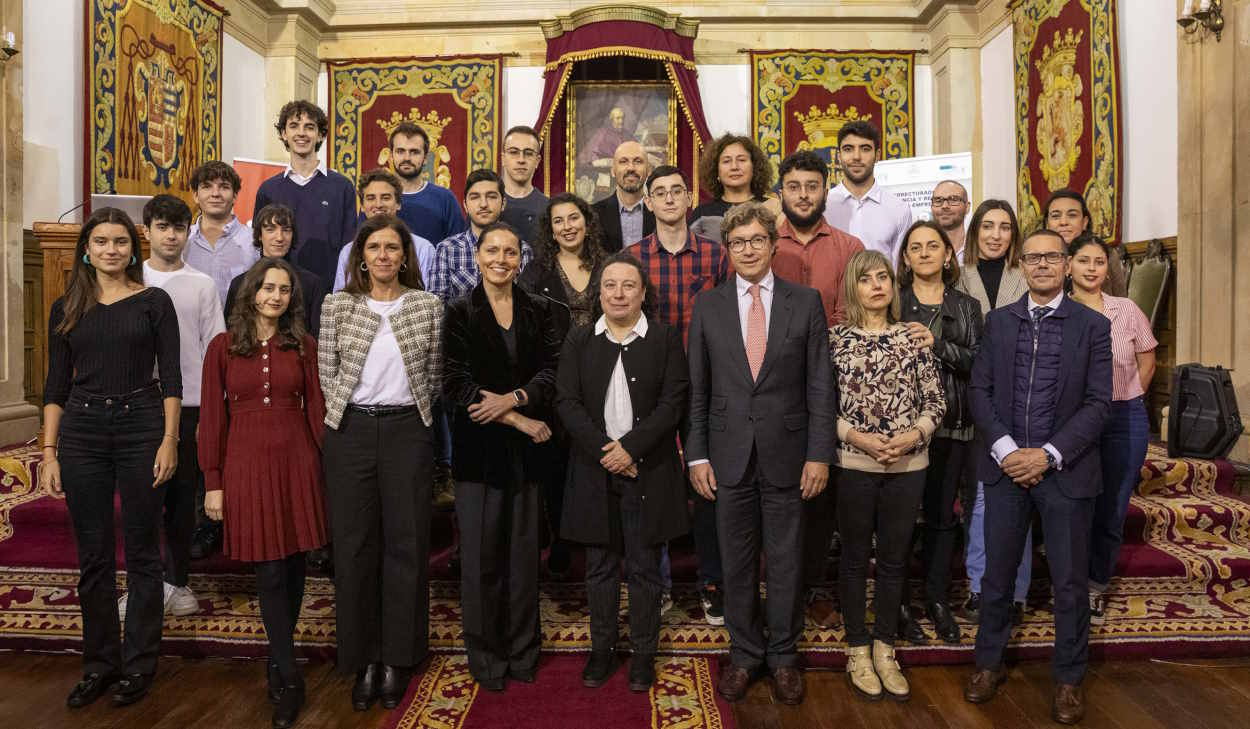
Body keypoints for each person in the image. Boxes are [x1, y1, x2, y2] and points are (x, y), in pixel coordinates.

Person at [686, 201, 834, 706]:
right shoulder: (707, 305)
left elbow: (820, 386)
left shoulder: (806, 301)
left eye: (756, 240)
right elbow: (698, 391)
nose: (748, 250)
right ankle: (746, 654)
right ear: (727, 250)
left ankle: (785, 655)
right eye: (738, 242)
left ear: (773, 245)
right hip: (726, 457)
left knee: (788, 560)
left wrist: (819, 454)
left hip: (790, 455)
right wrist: (697, 455)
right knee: (737, 562)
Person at [964, 229, 1113, 726]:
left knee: (1070, 583)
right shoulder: (999, 322)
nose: (1043, 265)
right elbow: (980, 393)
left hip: (1064, 472)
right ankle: (987, 665)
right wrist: (1008, 450)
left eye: (1052, 257)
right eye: (1033, 258)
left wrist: (1047, 455)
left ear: (1068, 264)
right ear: (1020, 265)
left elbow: (1099, 405)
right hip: (1006, 469)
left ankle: (1069, 680)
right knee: (997, 577)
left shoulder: (1092, 326)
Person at [40, 207, 182, 709]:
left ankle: (139, 665)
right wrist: (50, 451)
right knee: (94, 556)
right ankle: (100, 664)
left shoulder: (154, 302)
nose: (111, 250)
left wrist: (170, 440)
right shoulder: (66, 307)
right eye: (101, 242)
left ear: (133, 249)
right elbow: (55, 386)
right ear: (86, 249)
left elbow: (173, 378)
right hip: (82, 431)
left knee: (143, 555)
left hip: (143, 425)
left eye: (120, 241)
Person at [319, 214, 444, 712]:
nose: (385, 256)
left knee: (407, 543)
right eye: (375, 248)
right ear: (361, 256)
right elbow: (328, 373)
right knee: (353, 546)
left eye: (393, 248)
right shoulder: (337, 306)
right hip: (349, 432)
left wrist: (404, 417)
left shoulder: (427, 306)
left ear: (405, 256)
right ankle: (363, 656)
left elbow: (433, 376)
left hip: (407, 431)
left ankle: (398, 656)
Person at [199, 258, 328, 729]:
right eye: (268, 287)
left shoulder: (304, 346)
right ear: (251, 292)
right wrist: (213, 481)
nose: (276, 296)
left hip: (299, 462)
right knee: (270, 570)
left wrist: (328, 472)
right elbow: (212, 419)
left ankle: (278, 656)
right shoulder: (223, 347)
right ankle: (289, 673)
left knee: (294, 566)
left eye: (284, 290)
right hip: (247, 464)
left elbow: (316, 410)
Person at [556, 253, 690, 692]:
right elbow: (567, 404)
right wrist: (606, 452)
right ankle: (602, 650)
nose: (618, 293)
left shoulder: (665, 339)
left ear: (643, 293)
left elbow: (673, 403)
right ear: (599, 293)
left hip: (648, 471)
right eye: (609, 285)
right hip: (595, 471)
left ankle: (644, 656)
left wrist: (630, 449)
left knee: (646, 568)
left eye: (628, 285)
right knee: (599, 568)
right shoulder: (580, 340)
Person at [443, 221, 561, 692]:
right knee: (481, 562)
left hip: (529, 460)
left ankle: (523, 652)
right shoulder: (459, 311)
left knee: (523, 560)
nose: (500, 259)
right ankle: (487, 656)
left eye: (510, 252)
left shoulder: (538, 310)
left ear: (520, 260)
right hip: (479, 458)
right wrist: (517, 417)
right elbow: (455, 384)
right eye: (491, 250)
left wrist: (513, 398)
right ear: (477, 257)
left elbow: (552, 374)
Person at [831, 248, 944, 701]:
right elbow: (820, 406)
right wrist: (858, 439)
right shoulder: (836, 340)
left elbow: (936, 403)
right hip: (854, 464)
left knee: (895, 559)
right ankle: (857, 647)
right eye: (866, 278)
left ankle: (884, 648)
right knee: (856, 557)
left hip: (908, 464)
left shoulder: (913, 338)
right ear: (853, 287)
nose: (877, 284)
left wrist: (913, 436)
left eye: (883, 277)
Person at [625, 165, 731, 625]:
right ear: (647, 203)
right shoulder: (630, 258)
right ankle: (657, 583)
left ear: (689, 199)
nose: (669, 199)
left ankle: (712, 582)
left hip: (706, 382)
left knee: (708, 483)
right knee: (653, 485)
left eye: (676, 192)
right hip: (648, 388)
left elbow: (731, 316)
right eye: (659, 193)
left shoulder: (715, 256)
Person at [768, 150, 864, 628]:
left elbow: (853, 313)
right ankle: (778, 588)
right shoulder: (764, 245)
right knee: (779, 486)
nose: (803, 195)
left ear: (825, 189)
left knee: (822, 491)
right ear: (780, 192)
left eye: (811, 186)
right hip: (772, 386)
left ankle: (810, 588)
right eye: (794, 186)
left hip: (833, 382)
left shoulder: (849, 246)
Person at [129, 195, 224, 621]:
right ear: (146, 231)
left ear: (189, 233)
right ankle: (142, 585)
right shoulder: (131, 279)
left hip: (189, 405)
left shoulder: (201, 283)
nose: (171, 235)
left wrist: (211, 411)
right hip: (137, 405)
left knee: (183, 501)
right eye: (163, 227)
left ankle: (178, 581)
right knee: (140, 501)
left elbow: (213, 350)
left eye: (179, 228)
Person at [895, 221, 982, 646]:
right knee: (903, 518)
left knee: (942, 518)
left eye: (934, 246)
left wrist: (936, 344)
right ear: (906, 257)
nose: (926, 253)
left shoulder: (967, 307)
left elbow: (979, 363)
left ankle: (937, 599)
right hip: (903, 428)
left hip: (954, 424)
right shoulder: (893, 302)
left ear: (948, 255)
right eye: (916, 247)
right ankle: (901, 605)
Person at [1067, 236, 1156, 625]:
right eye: (1083, 260)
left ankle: (1095, 586)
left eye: (1099, 261)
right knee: (1073, 503)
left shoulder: (1127, 310)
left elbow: (1147, 362)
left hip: (1124, 416)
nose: (1091, 268)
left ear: (1108, 268)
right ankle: (1067, 583)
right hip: (1074, 420)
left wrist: (1127, 399)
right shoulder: (1060, 310)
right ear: (1068, 264)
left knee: (1114, 504)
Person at [518, 192, 607, 578]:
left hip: (606, 375)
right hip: (554, 378)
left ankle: (600, 538)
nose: (567, 226)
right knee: (557, 464)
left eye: (574, 218)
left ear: (587, 223)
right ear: (550, 230)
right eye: (559, 221)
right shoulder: (536, 271)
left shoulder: (609, 264)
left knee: (598, 458)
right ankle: (560, 539)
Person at [955, 199, 1032, 625]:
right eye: (988, 226)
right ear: (975, 231)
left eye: (1005, 227)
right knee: (978, 502)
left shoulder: (1024, 276)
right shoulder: (958, 276)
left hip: (1014, 399)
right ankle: (978, 586)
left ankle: (1015, 593)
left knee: (1010, 499)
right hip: (964, 399)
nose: (996, 235)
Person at [253, 100, 358, 286]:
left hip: (329, 290)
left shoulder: (342, 187)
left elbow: (349, 249)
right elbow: (259, 248)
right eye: (294, 126)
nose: (301, 133)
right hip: (280, 293)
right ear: (284, 134)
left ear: (320, 136)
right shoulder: (267, 190)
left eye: (309, 127)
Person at [428, 168, 535, 304]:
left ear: (503, 204)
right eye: (475, 197)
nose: (483, 204)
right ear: (465, 205)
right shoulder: (447, 249)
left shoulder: (521, 250)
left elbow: (527, 304)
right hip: (459, 325)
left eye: (491, 196)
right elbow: (437, 306)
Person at [225, 204, 327, 337]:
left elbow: (317, 339)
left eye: (286, 230)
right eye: (270, 229)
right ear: (259, 235)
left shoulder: (312, 284)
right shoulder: (239, 283)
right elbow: (231, 334)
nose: (279, 238)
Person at [823, 120, 913, 265]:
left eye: (865, 149)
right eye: (848, 149)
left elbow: (901, 271)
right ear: (839, 157)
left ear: (877, 155)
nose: (856, 156)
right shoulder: (824, 206)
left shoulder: (898, 209)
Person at [334, 168, 436, 292]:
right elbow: (340, 301)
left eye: (386, 198)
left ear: (398, 204)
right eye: (371, 198)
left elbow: (429, 299)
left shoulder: (423, 249)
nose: (378, 204)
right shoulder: (348, 251)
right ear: (362, 206)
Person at [185, 160, 258, 306]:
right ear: (195, 195)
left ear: (235, 196)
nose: (215, 194)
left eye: (224, 187)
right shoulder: (183, 239)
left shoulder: (254, 241)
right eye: (207, 187)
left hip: (239, 327)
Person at [385, 121, 468, 245]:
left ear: (425, 159)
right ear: (391, 156)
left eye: (414, 152)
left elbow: (458, 249)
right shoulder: (377, 199)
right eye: (400, 151)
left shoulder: (445, 199)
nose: (407, 158)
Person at [689, 133, 773, 239]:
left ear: (755, 167)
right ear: (716, 170)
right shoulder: (703, 213)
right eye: (726, 161)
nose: (734, 167)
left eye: (741, 160)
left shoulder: (771, 207)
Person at [1045, 189, 1126, 296]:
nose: (1063, 222)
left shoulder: (1106, 255)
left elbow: (1121, 300)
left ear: (1084, 222)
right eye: (1056, 216)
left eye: (1072, 215)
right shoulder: (1037, 259)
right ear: (1047, 223)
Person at [592, 141, 656, 252]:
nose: (631, 168)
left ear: (649, 171)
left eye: (638, 161)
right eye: (623, 161)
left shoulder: (661, 212)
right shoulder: (593, 214)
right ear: (613, 171)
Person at [499, 125, 549, 244]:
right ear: (503, 159)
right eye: (514, 152)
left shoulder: (549, 208)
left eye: (528, 153)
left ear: (537, 161)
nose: (521, 159)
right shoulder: (487, 205)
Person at [929, 181, 970, 264]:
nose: (945, 206)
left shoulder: (979, 247)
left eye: (953, 199)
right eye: (938, 200)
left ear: (967, 207)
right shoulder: (922, 251)